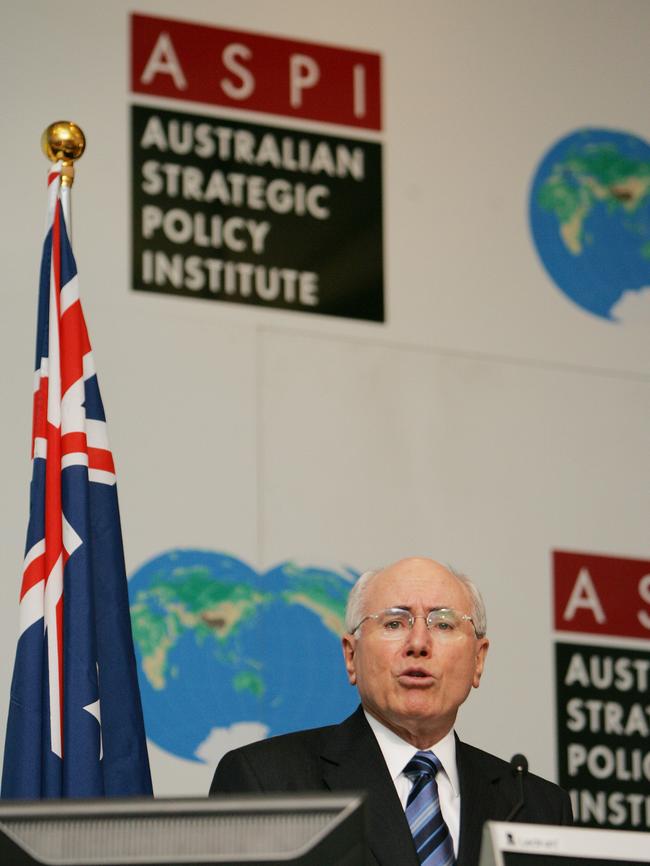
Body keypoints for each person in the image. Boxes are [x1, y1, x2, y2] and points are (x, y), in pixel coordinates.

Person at [210, 556, 572, 866]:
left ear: (478, 660)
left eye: (443, 624)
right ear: (351, 656)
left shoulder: (537, 808)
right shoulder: (266, 782)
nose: (418, 643)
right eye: (394, 623)